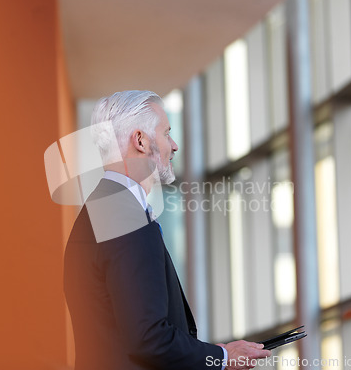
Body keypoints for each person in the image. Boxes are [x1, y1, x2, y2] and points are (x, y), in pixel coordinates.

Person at [63, 90, 271, 370]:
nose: (173, 145)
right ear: (141, 140)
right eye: (166, 133)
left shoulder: (100, 209)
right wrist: (222, 358)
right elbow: (149, 338)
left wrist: (218, 352)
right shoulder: (126, 218)